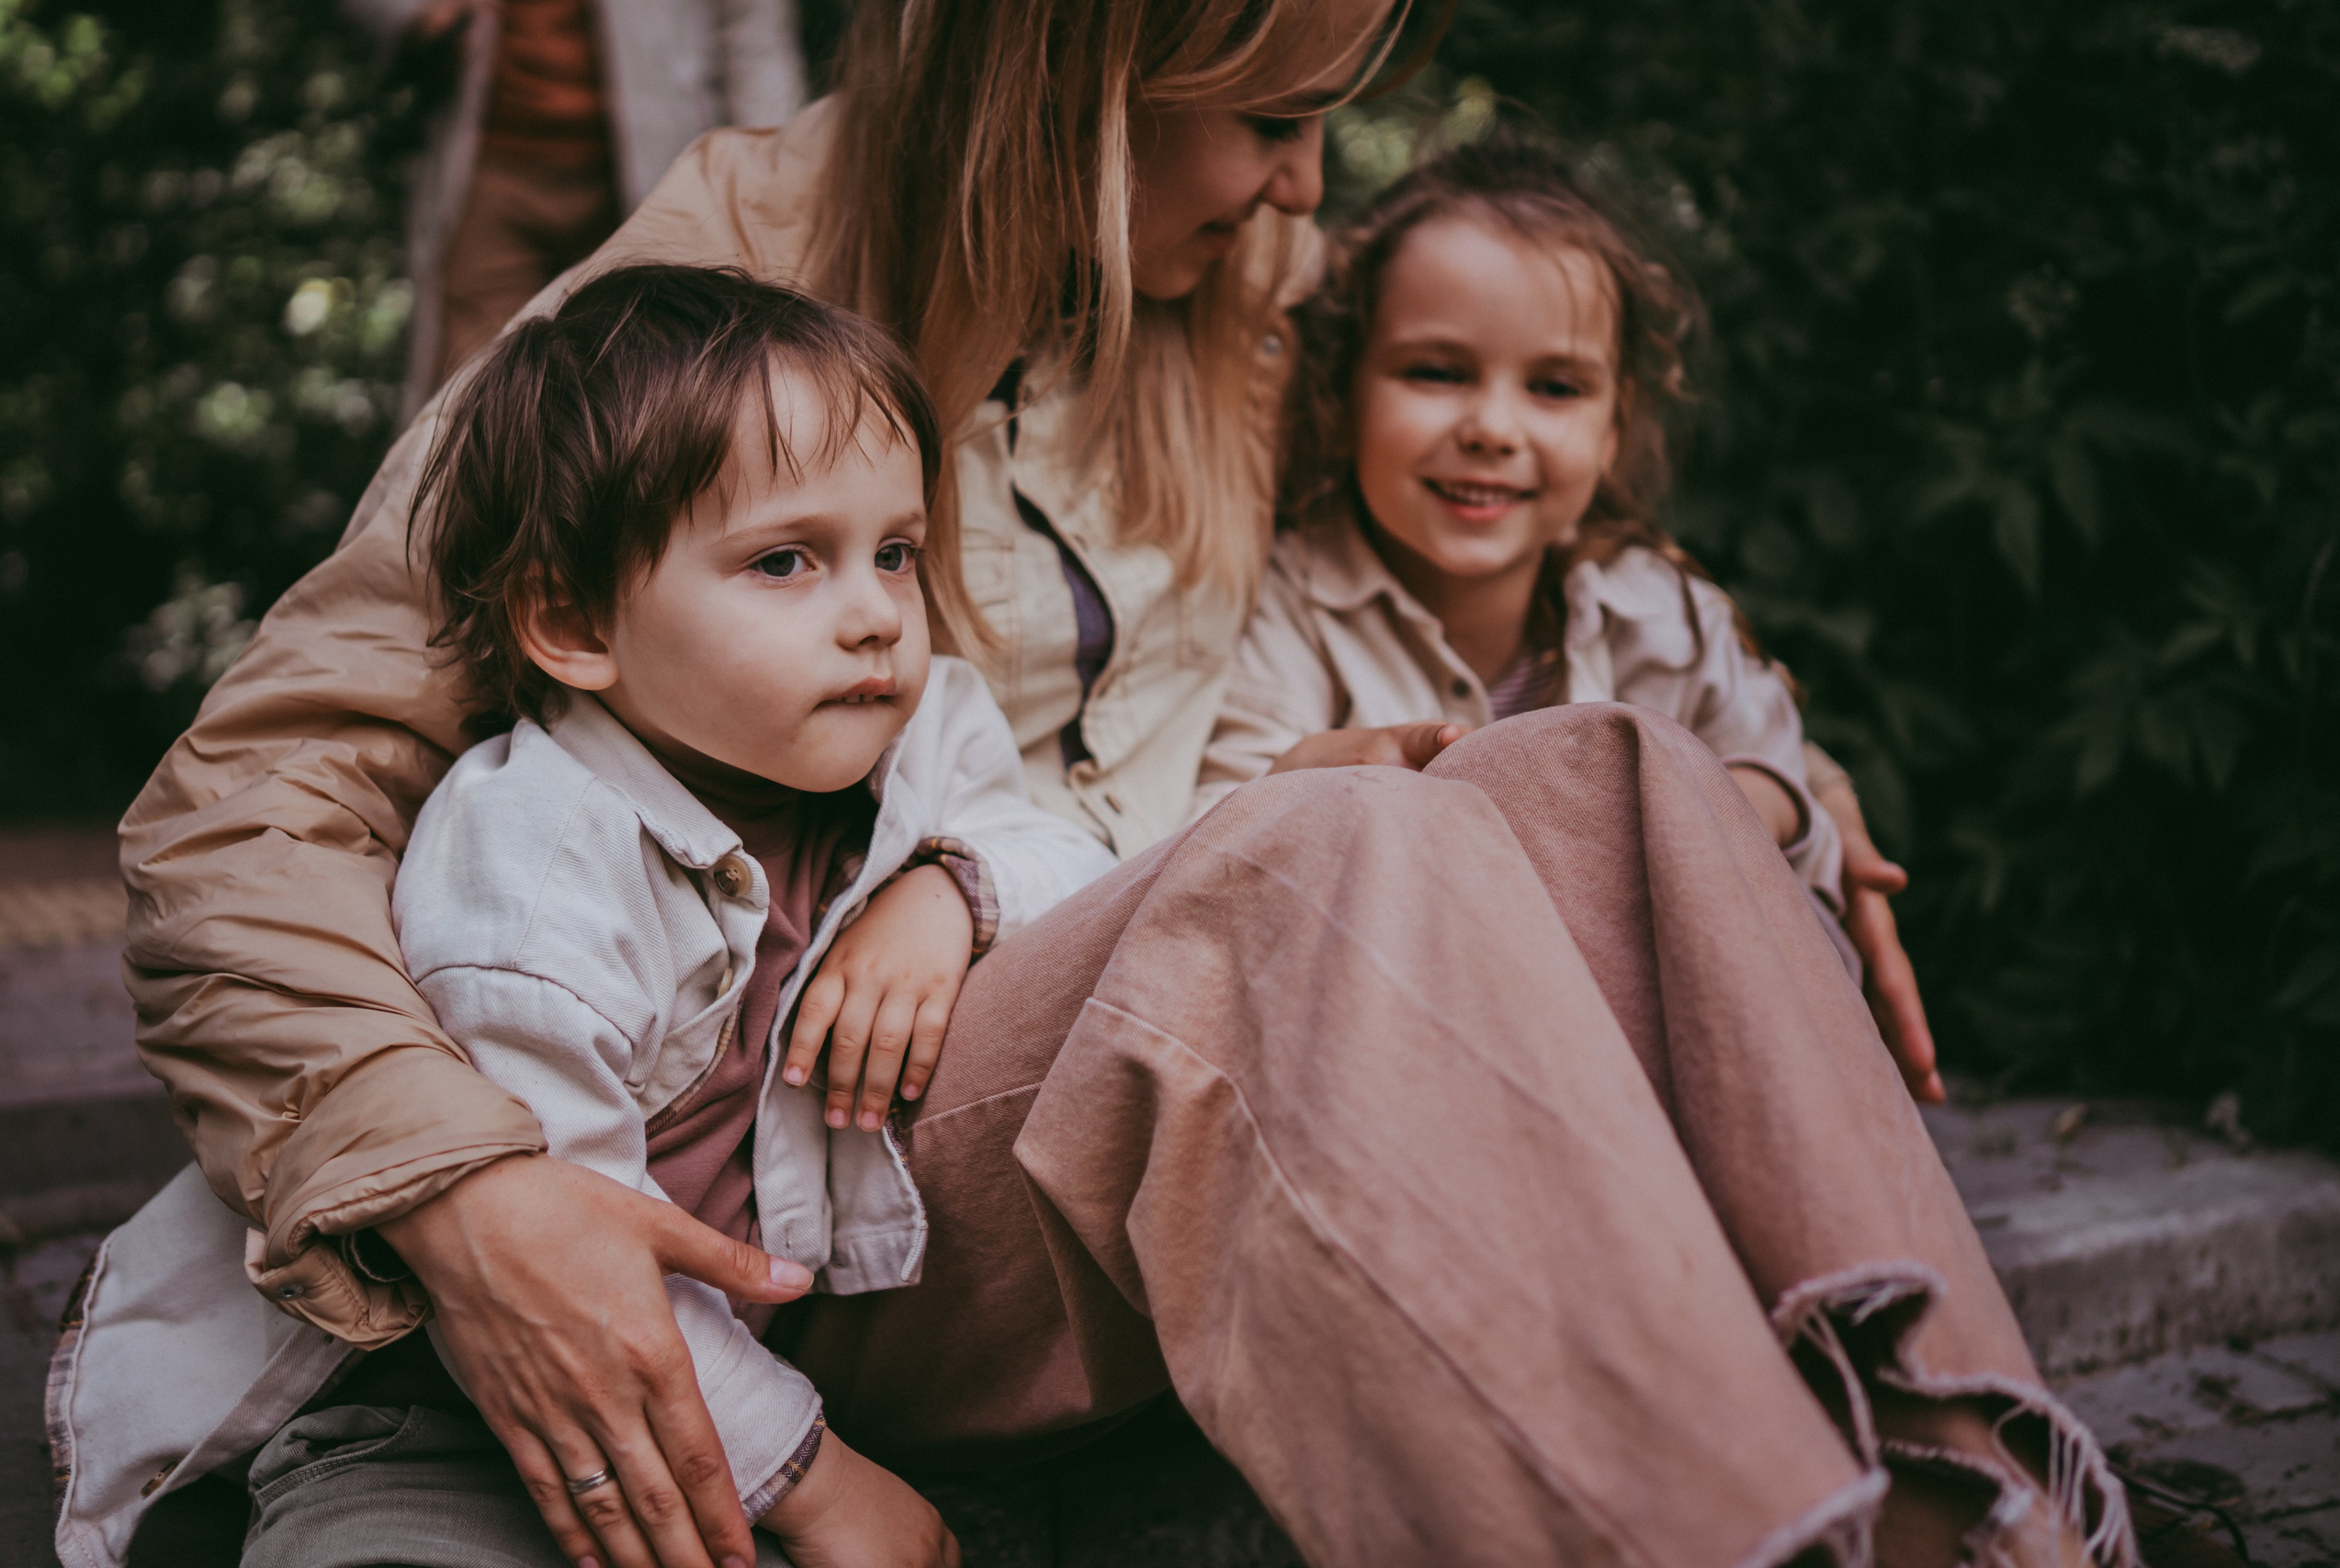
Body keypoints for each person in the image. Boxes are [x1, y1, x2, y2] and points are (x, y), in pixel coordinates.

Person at [96, 1, 2118, 1564]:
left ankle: (1980, 1517)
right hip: (827, 1176)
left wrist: (1783, 774)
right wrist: (464, 1192)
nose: (1305, 184)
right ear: (1077, 71)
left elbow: (1501, 464)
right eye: (1268, 114)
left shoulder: (1235, 294)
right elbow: (246, 798)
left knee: (1618, 782)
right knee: (1325, 853)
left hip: (1070, 979)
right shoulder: (723, 301)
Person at [52, 264, 1125, 1565]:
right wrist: (823, 1485)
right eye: (785, 560)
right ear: (572, 622)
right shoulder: (538, 859)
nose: (875, 618)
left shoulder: (914, 732)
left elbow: (1076, 856)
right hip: (447, 1406)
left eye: (893, 552)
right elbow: (569, 1263)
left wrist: (949, 891)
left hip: (737, 1376)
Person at [1200, 131, 1854, 962]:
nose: (1493, 430)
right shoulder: (1284, 606)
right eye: (1437, 372)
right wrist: (1301, 784)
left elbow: (1791, 802)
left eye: (1554, 387)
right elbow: (1211, 842)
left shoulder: (1659, 612)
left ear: (1614, 426)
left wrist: (1731, 807)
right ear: (1343, 392)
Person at [344, 0, 807, 412]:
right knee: (468, 401)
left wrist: (770, 185)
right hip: (491, 168)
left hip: (660, 172)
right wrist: (415, 14)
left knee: (665, 388)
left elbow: (755, 40)